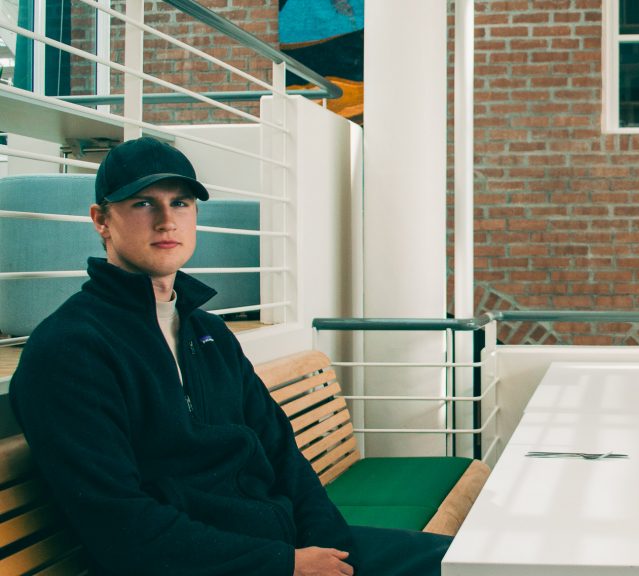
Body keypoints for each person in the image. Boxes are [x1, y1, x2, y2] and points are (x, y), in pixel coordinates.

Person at [10, 137, 451, 576]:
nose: (167, 221)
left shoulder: (209, 333)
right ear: (101, 220)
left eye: (181, 203)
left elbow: (282, 453)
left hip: (283, 546)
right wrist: (283, 564)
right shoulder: (70, 350)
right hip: (221, 565)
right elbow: (121, 526)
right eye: (143, 203)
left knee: (469, 563)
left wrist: (328, 545)